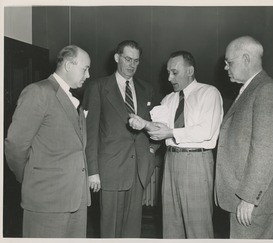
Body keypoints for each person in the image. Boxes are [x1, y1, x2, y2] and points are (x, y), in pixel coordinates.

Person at [129, 50, 223, 238]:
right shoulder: (169, 99)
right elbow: (158, 134)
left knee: (198, 227)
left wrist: (170, 132)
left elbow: (206, 131)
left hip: (197, 161)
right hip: (171, 160)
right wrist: (144, 124)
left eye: (174, 72)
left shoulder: (208, 93)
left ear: (190, 71)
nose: (170, 77)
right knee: (171, 225)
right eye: (168, 73)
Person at [5, 45, 92, 237]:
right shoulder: (38, 91)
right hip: (47, 198)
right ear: (69, 65)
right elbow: (15, 145)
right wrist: (29, 177)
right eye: (85, 69)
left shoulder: (74, 97)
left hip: (77, 199)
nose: (88, 75)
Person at [214, 36, 273, 239]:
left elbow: (266, 150)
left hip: (251, 202)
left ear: (246, 58)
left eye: (229, 62)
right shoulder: (252, 89)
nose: (225, 67)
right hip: (242, 198)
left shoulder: (267, 90)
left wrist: (249, 198)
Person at [83, 40, 156, 238]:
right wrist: (93, 171)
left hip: (138, 170)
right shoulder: (98, 87)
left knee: (132, 231)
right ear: (117, 58)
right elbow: (90, 133)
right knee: (110, 230)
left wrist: (150, 152)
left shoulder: (146, 89)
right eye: (127, 59)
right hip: (110, 170)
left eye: (136, 61)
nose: (132, 65)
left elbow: (154, 125)